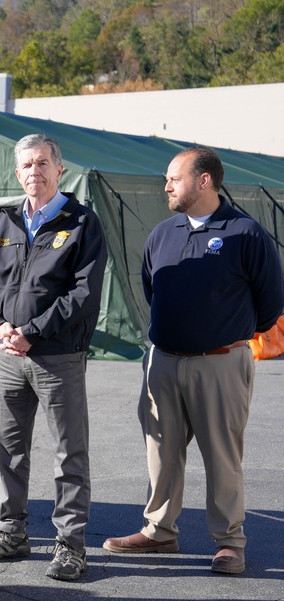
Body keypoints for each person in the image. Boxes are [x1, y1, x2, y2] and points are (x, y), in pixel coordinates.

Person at [103, 146, 284, 575]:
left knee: (222, 456)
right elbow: (153, 291)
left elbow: (270, 305)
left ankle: (229, 543)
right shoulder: (162, 234)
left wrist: (221, 333)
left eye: (173, 178)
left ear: (204, 181)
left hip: (220, 362)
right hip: (163, 361)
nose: (166, 185)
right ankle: (158, 531)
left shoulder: (246, 233)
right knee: (160, 453)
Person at [0, 134, 106, 581]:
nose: (35, 172)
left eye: (43, 163)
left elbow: (83, 295)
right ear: (17, 173)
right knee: (8, 449)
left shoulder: (82, 223)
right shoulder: (3, 224)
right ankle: (12, 532)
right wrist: (1, 327)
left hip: (58, 358)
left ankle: (70, 546)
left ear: (58, 169)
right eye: (27, 165)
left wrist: (33, 332)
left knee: (69, 453)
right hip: (7, 355)